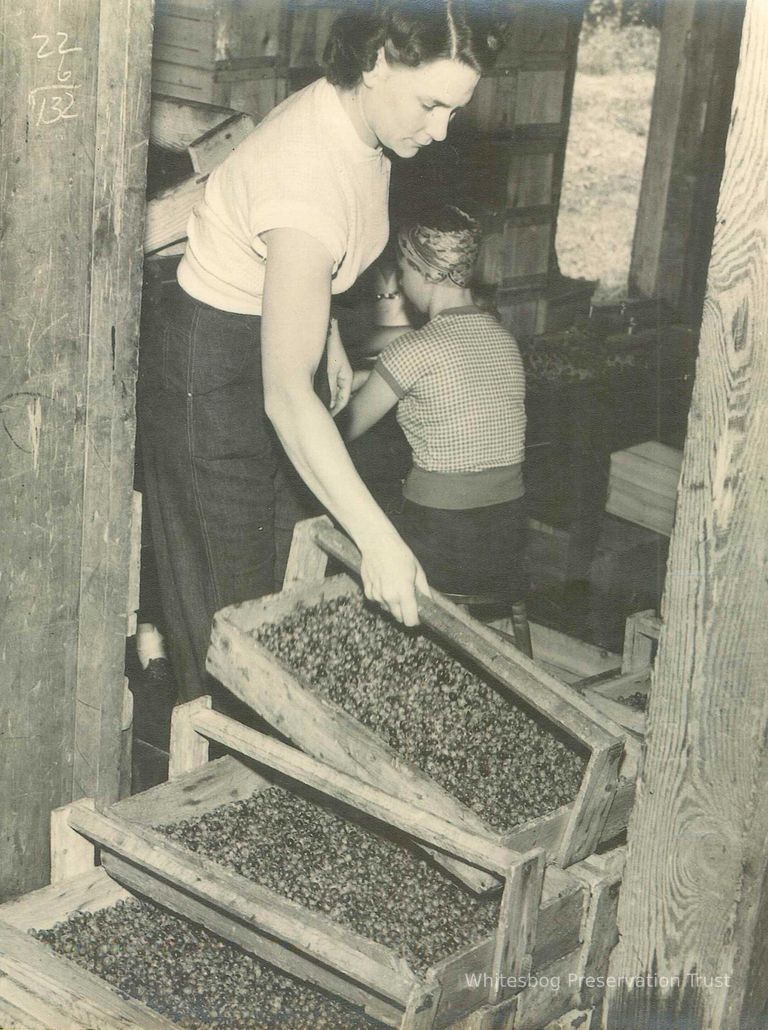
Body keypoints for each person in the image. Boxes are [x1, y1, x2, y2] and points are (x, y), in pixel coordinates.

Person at [138, 3, 502, 702]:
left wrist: (325, 326)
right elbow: (286, 395)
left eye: (455, 111)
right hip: (208, 368)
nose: (439, 131)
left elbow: (306, 263)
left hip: (265, 332)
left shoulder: (358, 117)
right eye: (431, 105)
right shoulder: (305, 177)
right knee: (229, 617)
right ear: (376, 64)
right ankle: (215, 771)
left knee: (280, 573)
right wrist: (381, 541)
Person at [345, 204, 528, 611]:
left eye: (402, 270)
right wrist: (367, 380)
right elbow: (454, 380)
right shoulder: (503, 339)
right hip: (507, 537)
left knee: (357, 530)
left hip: (444, 539)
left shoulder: (414, 349)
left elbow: (346, 429)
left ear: (423, 271)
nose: (402, 280)